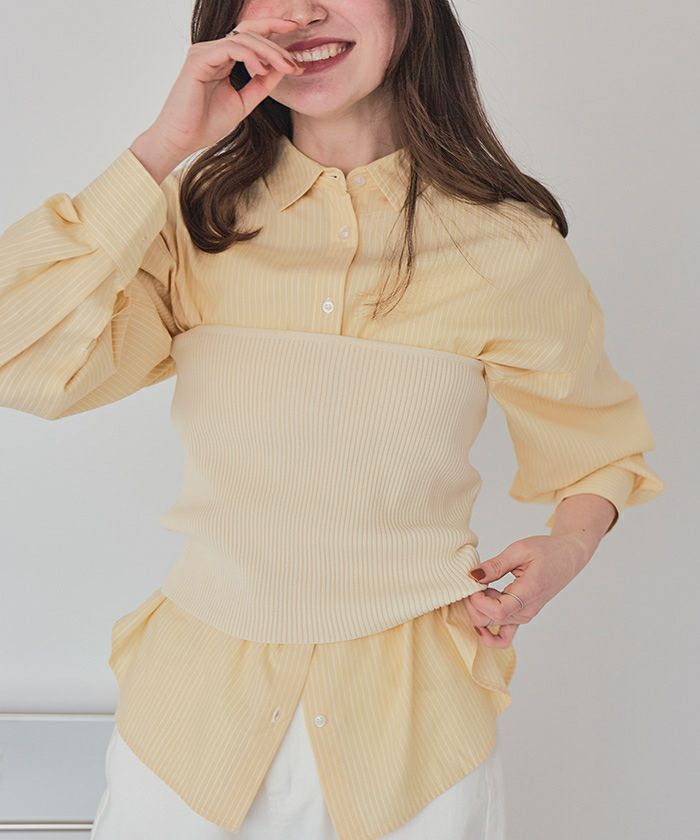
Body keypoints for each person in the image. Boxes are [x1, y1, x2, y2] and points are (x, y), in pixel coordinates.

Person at [0, 1, 666, 838]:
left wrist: (568, 547)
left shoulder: (508, 245)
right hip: (188, 731)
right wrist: (163, 147)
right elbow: (17, 356)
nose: (305, 9)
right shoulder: (191, 224)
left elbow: (595, 447)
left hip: (413, 740)